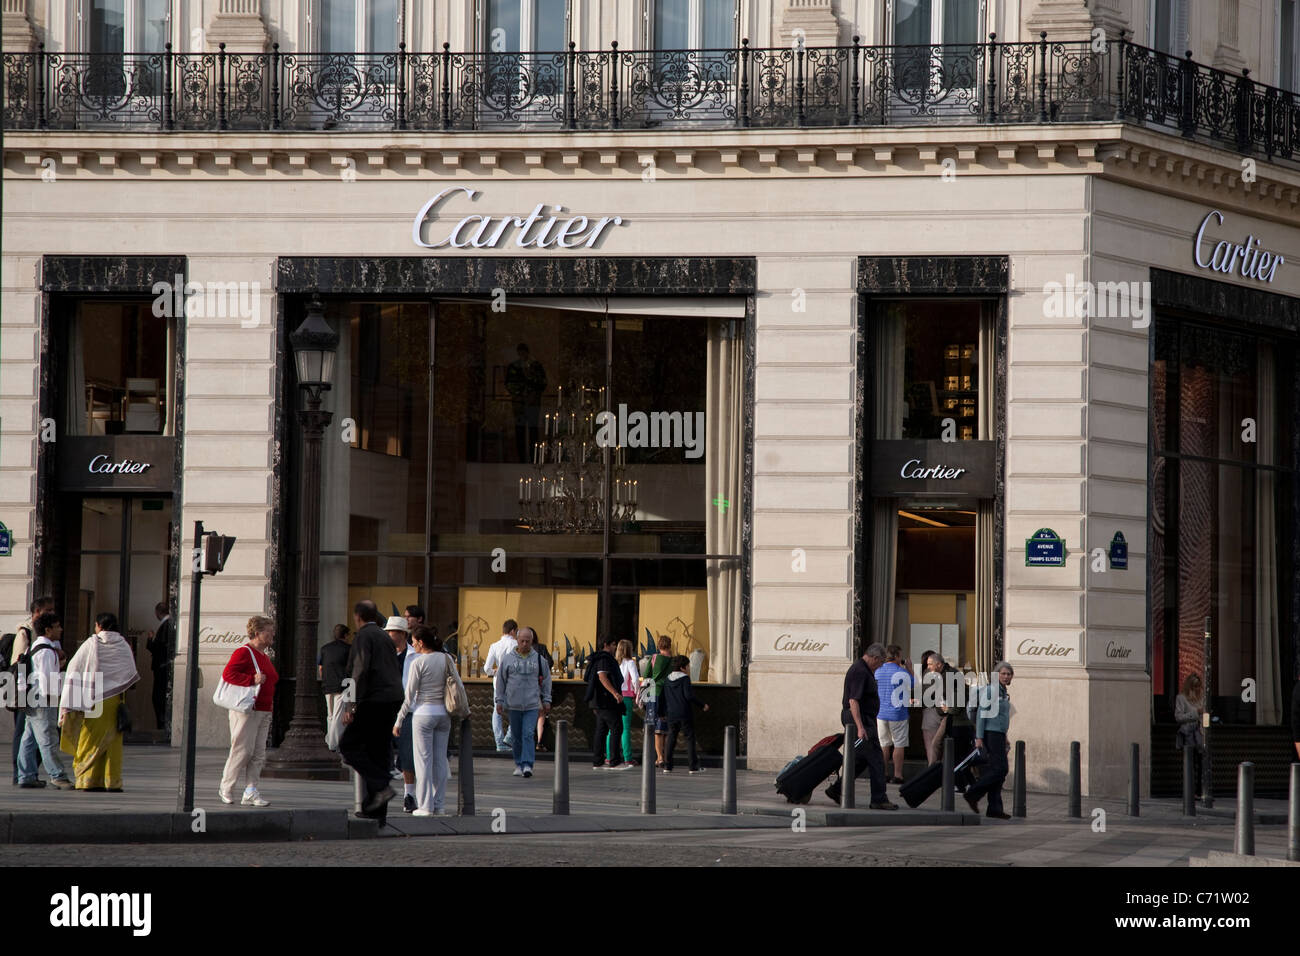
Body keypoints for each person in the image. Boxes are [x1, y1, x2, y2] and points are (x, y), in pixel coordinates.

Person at [58, 612, 139, 792]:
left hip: (94, 701)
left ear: (99, 626)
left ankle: (89, 780)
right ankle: (112, 781)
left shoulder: (90, 644)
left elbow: (74, 668)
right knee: (113, 743)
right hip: (115, 700)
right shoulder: (123, 645)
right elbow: (130, 672)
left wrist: (71, 700)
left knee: (90, 739)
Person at [340, 600, 404, 824]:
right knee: (377, 751)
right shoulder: (384, 636)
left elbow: (358, 671)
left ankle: (381, 786)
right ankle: (376, 812)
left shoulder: (363, 637)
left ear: (358, 617)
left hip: (374, 699)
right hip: (392, 698)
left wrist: (350, 705)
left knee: (348, 745)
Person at [394, 625, 460, 816]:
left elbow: (409, 696)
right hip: (444, 715)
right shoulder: (446, 658)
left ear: (421, 643)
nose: (412, 645)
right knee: (440, 761)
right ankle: (439, 805)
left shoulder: (418, 663)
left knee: (423, 762)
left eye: (413, 642)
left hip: (423, 714)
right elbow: (457, 685)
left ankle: (425, 806)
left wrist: (398, 721)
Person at [217, 615, 280, 807]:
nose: (272, 634)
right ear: (257, 633)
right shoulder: (244, 652)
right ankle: (226, 787)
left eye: (272, 631)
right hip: (247, 709)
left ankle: (251, 791)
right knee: (242, 750)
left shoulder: (264, 656)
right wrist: (251, 680)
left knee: (258, 753)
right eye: (268, 631)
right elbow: (228, 674)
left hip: (263, 710)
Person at [827, 641, 896, 809]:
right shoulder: (860, 671)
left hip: (862, 719)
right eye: (880, 662)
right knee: (876, 758)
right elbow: (853, 700)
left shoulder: (864, 669)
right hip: (860, 719)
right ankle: (879, 798)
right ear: (874, 657)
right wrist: (860, 727)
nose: (879, 666)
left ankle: (837, 790)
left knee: (859, 760)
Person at [16, 610, 73, 789]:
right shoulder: (47, 651)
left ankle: (26, 775)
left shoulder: (33, 647)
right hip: (43, 699)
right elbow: (48, 680)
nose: (61, 630)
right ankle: (58, 775)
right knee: (47, 738)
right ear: (48, 630)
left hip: (30, 696)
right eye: (57, 627)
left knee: (29, 738)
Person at [493, 626, 551, 777]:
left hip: (532, 704)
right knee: (517, 736)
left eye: (528, 641)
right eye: (522, 641)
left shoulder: (539, 659)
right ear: (517, 641)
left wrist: (546, 700)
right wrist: (499, 700)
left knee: (527, 734)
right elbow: (501, 681)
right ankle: (518, 763)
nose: (524, 644)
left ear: (532, 641)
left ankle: (527, 764)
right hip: (514, 704)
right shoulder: (507, 659)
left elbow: (546, 680)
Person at [9, 596, 54, 785]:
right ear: (37, 613)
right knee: (23, 732)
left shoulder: (48, 633)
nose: (52, 613)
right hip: (27, 691)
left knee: (31, 734)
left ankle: (29, 773)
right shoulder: (25, 633)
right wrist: (21, 694)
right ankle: (20, 773)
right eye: (48, 611)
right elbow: (19, 663)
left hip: (39, 691)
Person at [964, 662, 1014, 819]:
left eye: (1009, 674)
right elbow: (981, 714)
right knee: (1001, 769)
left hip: (998, 734)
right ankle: (973, 793)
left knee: (997, 771)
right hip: (990, 734)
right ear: (996, 674)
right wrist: (979, 737)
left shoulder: (1002, 692)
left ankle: (994, 808)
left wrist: (1004, 735)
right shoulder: (991, 690)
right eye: (1003, 673)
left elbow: (1002, 717)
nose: (1006, 677)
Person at [386, 616, 419, 808]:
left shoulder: (415, 655)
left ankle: (409, 794)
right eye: (388, 632)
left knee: (407, 752)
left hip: (407, 709)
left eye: (393, 632)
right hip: (386, 706)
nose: (389, 635)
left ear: (402, 634)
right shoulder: (383, 655)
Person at [662, 655, 709, 773]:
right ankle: (693, 766)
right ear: (682, 667)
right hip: (684, 712)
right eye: (687, 666)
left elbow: (663, 696)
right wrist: (702, 705)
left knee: (671, 737)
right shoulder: (685, 679)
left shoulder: (667, 679)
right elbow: (689, 696)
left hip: (671, 713)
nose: (689, 668)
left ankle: (667, 766)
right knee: (689, 738)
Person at [586, 636, 628, 770]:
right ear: (606, 644)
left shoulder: (598, 658)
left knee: (601, 730)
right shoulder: (604, 659)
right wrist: (615, 693)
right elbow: (602, 677)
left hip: (599, 701)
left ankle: (598, 761)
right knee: (617, 727)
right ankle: (614, 761)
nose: (615, 647)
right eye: (613, 644)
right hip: (605, 700)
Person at [874, 644, 914, 784]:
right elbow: (913, 685)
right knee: (899, 744)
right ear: (896, 656)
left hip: (881, 713)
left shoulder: (878, 671)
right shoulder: (901, 673)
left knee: (884, 744)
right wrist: (910, 669)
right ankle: (897, 775)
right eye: (900, 655)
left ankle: (883, 773)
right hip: (898, 714)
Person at [505, 342, 546, 462]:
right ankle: (521, 458)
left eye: (524, 352)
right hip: (519, 404)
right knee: (520, 431)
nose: (522, 354)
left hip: (532, 402)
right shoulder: (514, 367)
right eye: (520, 352)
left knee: (533, 431)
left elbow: (542, 383)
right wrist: (519, 394)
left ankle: (534, 457)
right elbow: (509, 384)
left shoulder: (536, 366)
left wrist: (532, 393)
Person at [483, 620, 518, 752]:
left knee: (497, 711)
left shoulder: (494, 645)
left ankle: (499, 742)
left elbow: (486, 668)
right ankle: (509, 738)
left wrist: (494, 672)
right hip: (513, 681)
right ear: (513, 631)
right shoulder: (516, 644)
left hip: (498, 682)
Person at [643, 634, 674, 768]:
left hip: (654, 693)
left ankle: (659, 757)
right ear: (670, 646)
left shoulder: (654, 658)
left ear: (659, 645)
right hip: (668, 694)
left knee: (656, 728)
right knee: (664, 726)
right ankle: (665, 757)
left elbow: (646, 676)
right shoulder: (673, 661)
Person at [1175, 673, 1208, 796]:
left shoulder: (1202, 698)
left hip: (1200, 733)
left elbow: (1205, 717)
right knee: (1190, 763)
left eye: (1199, 686)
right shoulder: (1181, 698)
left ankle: (1200, 790)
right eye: (1195, 686)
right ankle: (1190, 790)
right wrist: (1195, 713)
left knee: (1202, 763)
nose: (1197, 689)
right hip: (1188, 734)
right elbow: (1178, 717)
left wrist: (1205, 722)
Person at [920, 651, 952, 766]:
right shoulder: (949, 672)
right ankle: (941, 771)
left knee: (931, 744)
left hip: (932, 711)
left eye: (930, 664)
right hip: (945, 711)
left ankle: (932, 769)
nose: (928, 666)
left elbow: (927, 694)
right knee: (941, 744)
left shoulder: (929, 674)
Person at [145, 601, 173, 732]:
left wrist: (150, 639)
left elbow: (158, 648)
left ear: (157, 612)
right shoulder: (168, 625)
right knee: (159, 697)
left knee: (158, 697)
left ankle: (162, 726)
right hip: (163, 667)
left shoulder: (166, 625)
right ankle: (162, 725)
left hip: (161, 668)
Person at [318, 624, 353, 727]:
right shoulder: (349, 649)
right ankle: (333, 742)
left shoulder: (324, 649)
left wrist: (324, 680)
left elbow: (321, 668)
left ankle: (329, 740)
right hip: (342, 686)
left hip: (327, 686)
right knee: (338, 718)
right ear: (345, 635)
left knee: (330, 716)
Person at [611, 638, 638, 767]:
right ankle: (627, 757)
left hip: (614, 696)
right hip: (626, 697)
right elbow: (635, 680)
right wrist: (637, 693)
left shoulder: (614, 663)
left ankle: (610, 756)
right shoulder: (630, 663)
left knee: (611, 728)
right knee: (625, 728)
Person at [534, 638, 554, 749]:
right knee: (540, 714)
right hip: (535, 693)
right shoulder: (541, 652)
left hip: (522, 695)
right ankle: (539, 741)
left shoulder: (512, 656)